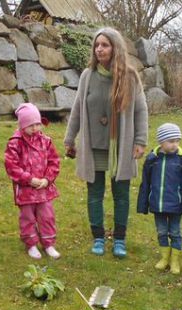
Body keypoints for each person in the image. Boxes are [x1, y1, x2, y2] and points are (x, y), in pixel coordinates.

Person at [63, 27, 148, 259]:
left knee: (121, 194)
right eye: (97, 45)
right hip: (94, 147)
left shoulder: (130, 77)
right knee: (95, 193)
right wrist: (70, 139)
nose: (99, 49)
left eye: (105, 45)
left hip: (121, 147)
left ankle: (119, 239)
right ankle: (98, 237)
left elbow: (141, 110)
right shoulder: (87, 76)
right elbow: (78, 109)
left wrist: (140, 140)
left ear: (115, 48)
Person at [4, 103, 61, 260]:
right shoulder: (15, 143)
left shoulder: (46, 141)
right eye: (31, 125)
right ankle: (31, 244)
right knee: (27, 217)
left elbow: (54, 161)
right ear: (22, 125)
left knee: (47, 215)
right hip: (26, 189)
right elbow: (11, 166)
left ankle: (48, 243)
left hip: (43, 188)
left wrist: (47, 179)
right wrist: (29, 179)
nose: (35, 128)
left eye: (37, 124)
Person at [137, 123, 182, 274]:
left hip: (176, 205)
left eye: (177, 141)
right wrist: (143, 204)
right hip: (158, 204)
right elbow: (146, 183)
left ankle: (174, 260)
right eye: (171, 141)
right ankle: (164, 258)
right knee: (162, 231)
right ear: (161, 142)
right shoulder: (152, 160)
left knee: (175, 232)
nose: (175, 144)